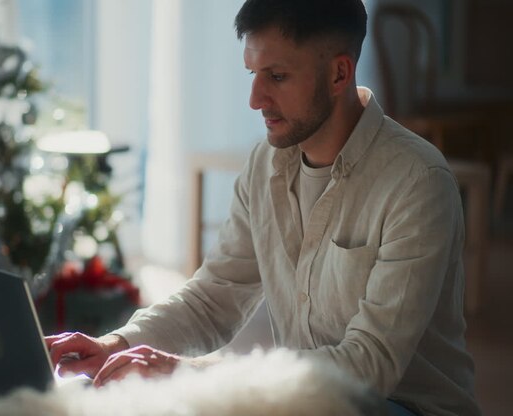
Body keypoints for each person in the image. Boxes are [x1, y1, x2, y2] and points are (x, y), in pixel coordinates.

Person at [46, 1, 481, 415]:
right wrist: (117, 345)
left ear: (339, 74)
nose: (255, 99)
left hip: (404, 406)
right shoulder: (264, 164)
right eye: (253, 73)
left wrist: (192, 374)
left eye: (276, 76)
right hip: (301, 403)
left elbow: (369, 368)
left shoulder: (417, 182)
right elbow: (213, 298)